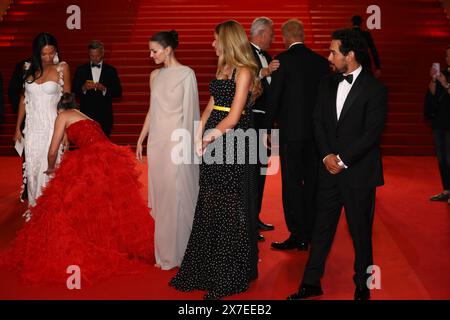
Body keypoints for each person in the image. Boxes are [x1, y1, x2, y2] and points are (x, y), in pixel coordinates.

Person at [0, 93, 154, 286]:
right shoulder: (84, 116)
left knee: (65, 203)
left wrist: (50, 167)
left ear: (58, 109)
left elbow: (53, 149)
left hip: (92, 159)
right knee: (107, 206)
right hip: (109, 157)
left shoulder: (62, 117)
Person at [288, 28, 387, 300]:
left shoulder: (375, 89)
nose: (329, 56)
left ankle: (362, 286)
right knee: (321, 228)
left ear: (350, 55)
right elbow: (318, 122)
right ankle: (311, 282)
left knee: (360, 233)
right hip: (328, 170)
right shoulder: (326, 83)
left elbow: (372, 133)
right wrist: (326, 156)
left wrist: (343, 159)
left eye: (333, 51)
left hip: (358, 173)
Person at [169, 20, 260, 300]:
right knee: (208, 199)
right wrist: (198, 133)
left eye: (214, 40)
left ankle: (229, 272)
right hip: (214, 135)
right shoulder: (223, 67)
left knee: (231, 203)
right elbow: (211, 104)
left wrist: (211, 136)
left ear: (227, 40)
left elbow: (233, 115)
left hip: (234, 138)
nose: (212, 44)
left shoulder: (244, 71)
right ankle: (205, 269)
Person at [136, 30, 200, 270]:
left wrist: (187, 149)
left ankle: (182, 253)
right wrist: (142, 138)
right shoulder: (155, 75)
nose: (150, 54)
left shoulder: (187, 75)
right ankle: (164, 254)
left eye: (154, 50)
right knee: (163, 199)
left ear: (168, 49)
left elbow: (191, 113)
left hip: (176, 144)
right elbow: (152, 111)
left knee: (178, 197)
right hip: (158, 145)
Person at [267, 19, 329, 251]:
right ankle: (312, 231)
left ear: (285, 37)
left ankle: (298, 234)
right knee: (313, 182)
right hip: (316, 135)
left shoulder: (282, 61)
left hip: (291, 134)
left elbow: (274, 98)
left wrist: (266, 128)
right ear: (303, 35)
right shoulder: (321, 63)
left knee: (292, 184)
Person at [13, 33, 70, 211]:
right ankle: (34, 210)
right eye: (43, 54)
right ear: (37, 52)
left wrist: (65, 132)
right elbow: (24, 100)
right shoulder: (28, 68)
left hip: (53, 127)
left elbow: (66, 102)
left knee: (49, 168)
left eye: (51, 53)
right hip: (32, 129)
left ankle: (50, 213)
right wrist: (17, 128)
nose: (48, 57)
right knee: (32, 168)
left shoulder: (62, 68)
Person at [249, 16, 279, 239]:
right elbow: (241, 81)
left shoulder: (267, 56)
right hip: (251, 122)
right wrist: (263, 73)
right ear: (260, 33)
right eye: (271, 34)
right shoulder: (245, 53)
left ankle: (254, 217)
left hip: (267, 124)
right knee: (249, 174)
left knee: (261, 171)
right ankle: (247, 222)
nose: (274, 38)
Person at [72, 40, 122, 137]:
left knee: (104, 148)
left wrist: (104, 89)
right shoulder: (81, 70)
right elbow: (73, 91)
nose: (95, 58)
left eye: (97, 56)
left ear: (102, 53)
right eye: (92, 56)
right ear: (88, 54)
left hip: (105, 116)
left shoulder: (111, 70)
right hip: (85, 115)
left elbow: (118, 92)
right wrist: (84, 88)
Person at [425, 46, 450, 204]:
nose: (448, 59)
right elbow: (432, 94)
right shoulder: (444, 73)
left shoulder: (445, 78)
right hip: (440, 122)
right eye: (447, 56)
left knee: (449, 158)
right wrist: (434, 80)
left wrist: (446, 84)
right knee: (441, 159)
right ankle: (447, 190)